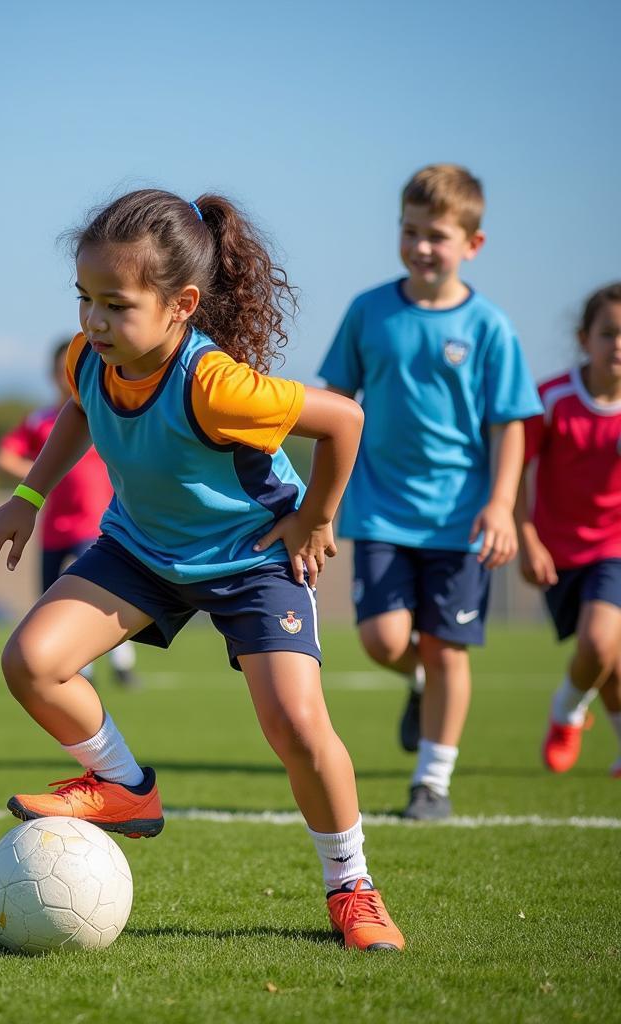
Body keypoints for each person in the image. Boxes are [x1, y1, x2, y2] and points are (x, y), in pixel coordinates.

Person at [0, 188, 404, 952]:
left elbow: (345, 420)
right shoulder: (90, 357)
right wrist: (27, 497)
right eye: (84, 299)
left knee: (298, 726)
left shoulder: (216, 385)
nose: (94, 321)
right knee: (31, 661)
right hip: (141, 550)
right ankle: (126, 788)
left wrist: (317, 518)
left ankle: (352, 887)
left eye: (116, 303)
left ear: (181, 306)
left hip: (251, 558)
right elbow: (77, 406)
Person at [318, 164, 542, 820]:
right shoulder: (368, 311)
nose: (420, 246)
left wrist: (501, 505)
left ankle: (432, 783)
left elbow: (510, 428)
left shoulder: (491, 327)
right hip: (380, 509)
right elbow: (332, 404)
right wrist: (316, 502)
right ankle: (417, 681)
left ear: (473, 244)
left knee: (447, 647)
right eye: (409, 230)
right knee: (383, 641)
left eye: (436, 235)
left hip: (461, 520)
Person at [516, 283, 621, 777]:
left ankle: (565, 711)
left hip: (614, 548)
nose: (618, 343)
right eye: (609, 332)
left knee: (599, 643)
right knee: (608, 660)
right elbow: (515, 467)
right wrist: (527, 536)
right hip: (558, 552)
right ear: (585, 339)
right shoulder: (553, 398)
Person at [0, 339, 138, 687]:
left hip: (97, 524)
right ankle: (78, 668)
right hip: (53, 528)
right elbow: (3, 457)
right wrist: (40, 474)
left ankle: (122, 665)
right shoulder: (42, 420)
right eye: (60, 372)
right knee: (50, 598)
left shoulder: (105, 411)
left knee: (103, 597)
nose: (64, 377)